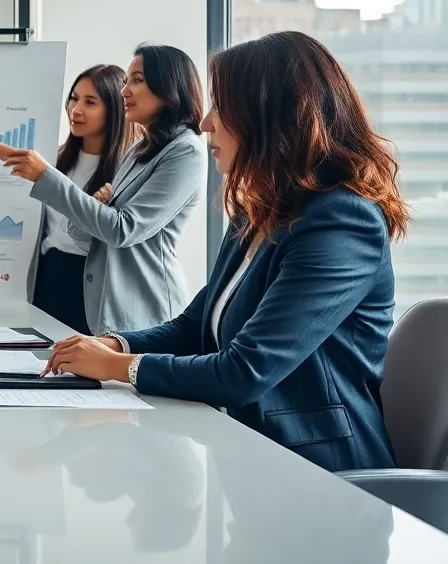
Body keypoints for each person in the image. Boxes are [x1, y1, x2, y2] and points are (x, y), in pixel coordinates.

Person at [41, 31, 407, 473]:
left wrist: (120, 365)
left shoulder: (341, 222)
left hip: (323, 474)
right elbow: (196, 326)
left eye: (223, 108)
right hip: (249, 455)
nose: (207, 122)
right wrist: (114, 342)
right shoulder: (260, 209)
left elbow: (244, 372)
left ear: (271, 116)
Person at [0, 44, 206, 334]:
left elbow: (122, 230)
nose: (125, 92)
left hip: (142, 306)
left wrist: (93, 205)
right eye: (126, 82)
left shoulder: (185, 151)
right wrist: (100, 208)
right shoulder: (141, 150)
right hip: (83, 291)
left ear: (170, 85)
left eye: (137, 80)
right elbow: (88, 232)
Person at [24, 64, 137, 333]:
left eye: (90, 102)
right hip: (47, 276)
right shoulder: (52, 160)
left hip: (90, 283)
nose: (76, 109)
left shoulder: (127, 169)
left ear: (114, 108)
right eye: (74, 98)